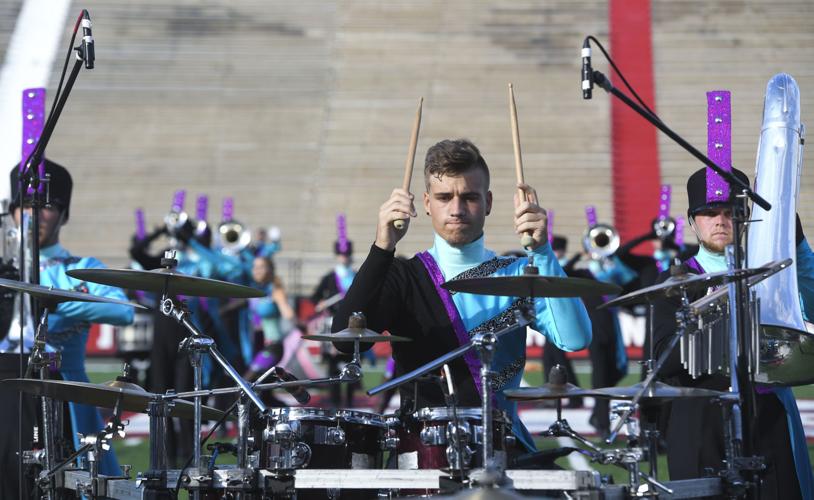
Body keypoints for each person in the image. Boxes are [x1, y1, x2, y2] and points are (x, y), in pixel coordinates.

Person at [332, 138, 592, 453]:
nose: (456, 209)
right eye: (444, 197)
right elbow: (344, 343)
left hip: (504, 449)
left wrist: (543, 251)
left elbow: (575, 338)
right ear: (426, 204)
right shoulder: (403, 276)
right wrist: (382, 247)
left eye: (469, 197)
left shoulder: (520, 274)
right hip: (422, 453)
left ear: (489, 202)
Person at [653, 166, 814, 498]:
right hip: (700, 419)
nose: (720, 221)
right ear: (692, 220)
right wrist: (712, 313)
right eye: (709, 213)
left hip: (770, 416)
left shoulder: (772, 272)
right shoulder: (676, 281)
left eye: (731, 212)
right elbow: (663, 361)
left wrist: (798, 246)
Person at [0, 160, 134, 493]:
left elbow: (123, 311)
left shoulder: (80, 268)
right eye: (25, 205)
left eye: (47, 206)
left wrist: (51, 299)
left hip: (65, 394)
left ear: (64, 214)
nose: (34, 214)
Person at [244, 256, 296, 381]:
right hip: (256, 344)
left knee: (247, 380)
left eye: (261, 267)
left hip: (272, 346)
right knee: (260, 385)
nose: (257, 270)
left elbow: (289, 315)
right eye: (255, 267)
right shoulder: (257, 290)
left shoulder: (276, 291)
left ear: (270, 270)